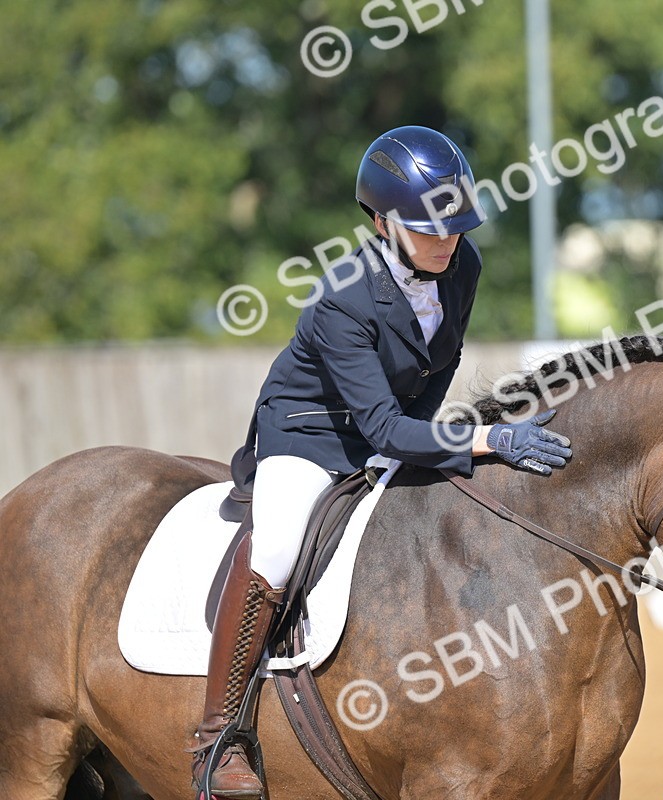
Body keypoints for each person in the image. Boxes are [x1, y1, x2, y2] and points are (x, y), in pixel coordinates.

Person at [188, 126, 572, 798]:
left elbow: (436, 370)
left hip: (395, 428)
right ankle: (218, 737)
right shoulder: (344, 295)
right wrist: (490, 441)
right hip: (310, 437)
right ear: (379, 221)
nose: (446, 243)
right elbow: (379, 428)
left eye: (455, 226)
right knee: (276, 550)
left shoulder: (464, 266)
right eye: (430, 230)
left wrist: (439, 441)